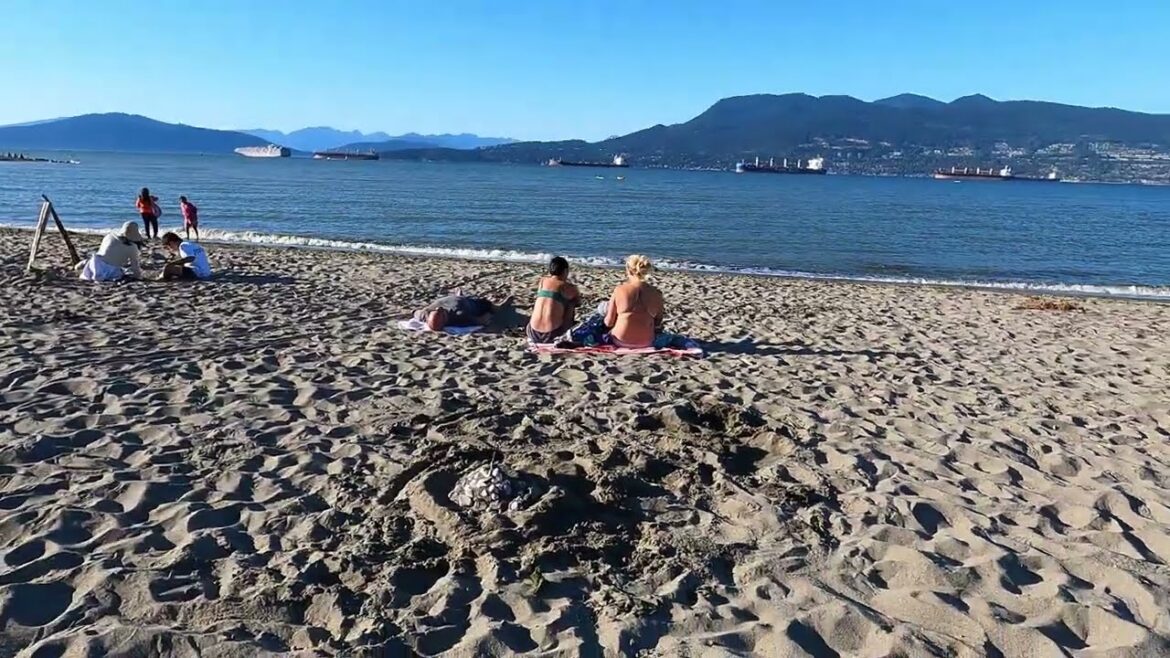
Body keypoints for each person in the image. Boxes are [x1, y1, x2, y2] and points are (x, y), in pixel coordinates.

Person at [603, 254, 664, 348]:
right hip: (646, 341)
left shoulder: (620, 290)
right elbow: (658, 323)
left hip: (619, 340)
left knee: (602, 308)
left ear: (629, 270)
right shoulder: (657, 294)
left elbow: (609, 322)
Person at [526, 256, 580, 344]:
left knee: (545, 299)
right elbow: (578, 302)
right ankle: (567, 329)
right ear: (565, 271)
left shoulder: (542, 281)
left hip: (532, 331)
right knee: (571, 303)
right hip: (552, 334)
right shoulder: (569, 287)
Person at [79, 221, 147, 281]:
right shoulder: (132, 247)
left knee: (101, 258)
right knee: (122, 271)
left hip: (95, 262)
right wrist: (138, 276)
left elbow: (103, 250)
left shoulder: (109, 236)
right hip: (109, 269)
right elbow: (135, 266)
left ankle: (85, 263)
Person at [413, 291, 498, 331]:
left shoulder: (460, 313)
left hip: (461, 302)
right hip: (457, 301)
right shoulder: (425, 313)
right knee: (484, 305)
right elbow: (481, 321)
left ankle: (497, 307)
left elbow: (480, 320)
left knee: (484, 305)